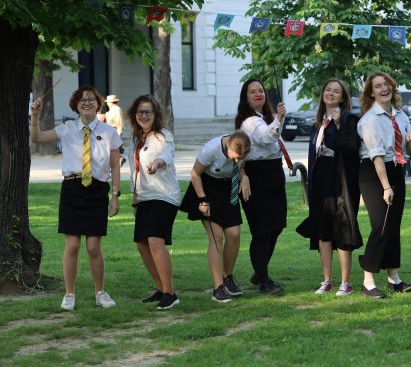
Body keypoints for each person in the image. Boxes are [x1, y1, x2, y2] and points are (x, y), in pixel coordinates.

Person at [30, 86, 121, 311]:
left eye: (91, 99)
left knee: (93, 246)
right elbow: (37, 137)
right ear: (75, 105)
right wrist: (35, 115)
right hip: (72, 189)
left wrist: (115, 195)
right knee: (72, 246)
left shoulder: (109, 132)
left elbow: (115, 165)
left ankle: (100, 292)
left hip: (97, 190)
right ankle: (69, 294)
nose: (86, 102)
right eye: (81, 99)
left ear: (98, 104)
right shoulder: (67, 128)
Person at [296, 78, 363, 296]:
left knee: (342, 229)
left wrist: (338, 125)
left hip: (342, 181)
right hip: (321, 180)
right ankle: (327, 281)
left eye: (336, 91)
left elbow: (351, 148)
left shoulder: (349, 119)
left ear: (343, 98)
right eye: (328, 90)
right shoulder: (319, 123)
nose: (331, 93)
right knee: (323, 232)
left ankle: (346, 282)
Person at [357, 71, 411, 298]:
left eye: (387, 84)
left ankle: (394, 280)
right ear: (371, 93)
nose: (384, 89)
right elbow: (377, 156)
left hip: (396, 168)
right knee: (381, 225)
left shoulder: (401, 116)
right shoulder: (370, 120)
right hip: (374, 173)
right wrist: (386, 186)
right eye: (378, 86)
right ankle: (368, 282)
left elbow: (407, 150)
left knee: (393, 225)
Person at [179, 131, 251, 303]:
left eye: (240, 158)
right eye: (234, 157)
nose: (236, 161)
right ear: (227, 147)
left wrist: (244, 177)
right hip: (206, 189)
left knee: (234, 234)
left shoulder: (245, 149)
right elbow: (195, 174)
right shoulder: (211, 149)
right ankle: (218, 288)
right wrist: (202, 200)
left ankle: (227, 277)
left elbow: (241, 168)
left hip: (228, 189)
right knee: (216, 236)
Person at [127, 95, 182, 310]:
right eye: (140, 112)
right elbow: (135, 173)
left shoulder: (162, 136)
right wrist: (135, 199)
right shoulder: (137, 139)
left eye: (148, 111)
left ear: (155, 114)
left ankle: (170, 293)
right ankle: (161, 288)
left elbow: (166, 155)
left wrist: (157, 163)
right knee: (142, 244)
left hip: (164, 196)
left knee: (155, 241)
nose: (144, 115)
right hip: (145, 197)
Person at [235, 78, 288, 295]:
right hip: (258, 176)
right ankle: (264, 281)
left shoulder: (264, 118)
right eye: (252, 92)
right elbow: (267, 138)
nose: (258, 94)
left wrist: (276, 119)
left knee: (276, 227)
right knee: (262, 231)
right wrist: (279, 118)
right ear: (245, 98)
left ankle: (259, 272)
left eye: (261, 90)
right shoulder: (250, 121)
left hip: (273, 173)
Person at [105, 94, 126, 166]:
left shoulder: (117, 110)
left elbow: (119, 123)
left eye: (108, 102)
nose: (107, 104)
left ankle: (119, 159)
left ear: (112, 102)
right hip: (109, 131)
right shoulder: (111, 110)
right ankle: (118, 160)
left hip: (115, 130)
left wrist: (119, 133)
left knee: (113, 148)